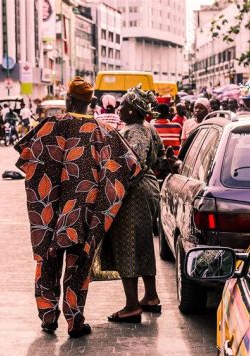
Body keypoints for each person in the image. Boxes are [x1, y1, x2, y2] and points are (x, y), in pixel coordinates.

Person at [14, 76, 142, 338]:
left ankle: (48, 316)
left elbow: (27, 156)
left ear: (68, 99)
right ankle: (74, 321)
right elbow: (130, 166)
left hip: (50, 208)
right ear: (90, 102)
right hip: (85, 209)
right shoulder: (104, 131)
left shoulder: (50, 125)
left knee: (48, 259)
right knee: (78, 263)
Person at [103, 85, 161, 323]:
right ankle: (151, 297)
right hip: (146, 189)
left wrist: (113, 189)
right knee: (144, 243)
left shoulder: (135, 130)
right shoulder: (147, 128)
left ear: (133, 110)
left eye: (124, 105)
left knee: (128, 245)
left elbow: (131, 165)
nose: (120, 108)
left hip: (133, 193)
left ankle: (131, 306)